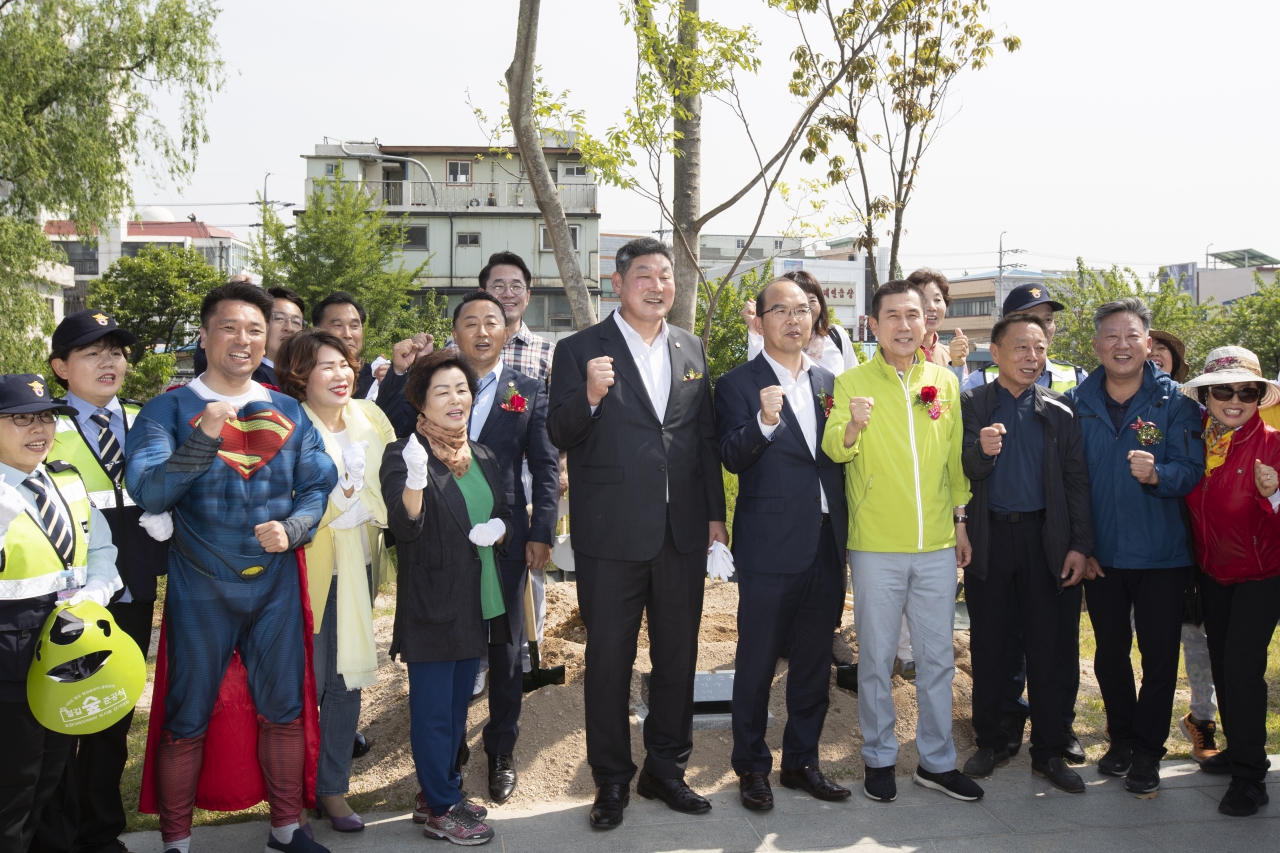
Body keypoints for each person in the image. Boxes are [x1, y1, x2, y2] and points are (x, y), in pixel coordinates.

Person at [125, 281, 338, 853]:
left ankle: (286, 828)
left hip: (273, 586)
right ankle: (176, 841)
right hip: (201, 586)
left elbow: (319, 483)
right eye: (229, 327)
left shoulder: (287, 408)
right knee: (186, 713)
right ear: (204, 335)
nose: (242, 340)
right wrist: (205, 436)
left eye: (254, 329)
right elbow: (148, 491)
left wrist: (294, 528)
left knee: (284, 708)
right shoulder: (168, 408)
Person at [546, 237, 727, 829]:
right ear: (618, 284)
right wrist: (592, 396)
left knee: (677, 656)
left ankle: (665, 769)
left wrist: (715, 521)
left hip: (680, 534)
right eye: (644, 274)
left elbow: (700, 442)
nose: (657, 284)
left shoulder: (690, 347)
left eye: (666, 275)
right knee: (609, 662)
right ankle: (613, 780)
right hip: (611, 535)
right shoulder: (579, 350)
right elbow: (559, 432)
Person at [821, 279, 981, 804]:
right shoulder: (851, 383)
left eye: (914, 315)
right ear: (873, 324)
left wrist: (960, 522)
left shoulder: (944, 381)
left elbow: (957, 460)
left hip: (936, 544)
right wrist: (852, 428)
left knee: (938, 659)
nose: (905, 325)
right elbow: (836, 451)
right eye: (893, 316)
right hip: (875, 547)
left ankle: (936, 762)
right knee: (878, 659)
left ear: (924, 321)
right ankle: (878, 757)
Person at [715, 277, 850, 811]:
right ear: (761, 319)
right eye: (781, 310)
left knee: (815, 661)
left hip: (825, 542)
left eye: (803, 310)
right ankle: (751, 767)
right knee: (757, 660)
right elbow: (730, 454)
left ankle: (801, 762)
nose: (794, 320)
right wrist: (764, 423)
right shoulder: (737, 384)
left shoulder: (828, 381)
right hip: (769, 543)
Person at [1065, 297, 1204, 796]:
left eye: (1132, 336)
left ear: (1149, 342)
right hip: (1101, 555)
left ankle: (1149, 751)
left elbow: (1192, 471)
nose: (1121, 345)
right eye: (1111, 336)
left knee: (1160, 656)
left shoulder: (1179, 405)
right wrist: (1083, 544)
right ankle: (1121, 739)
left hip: (1162, 554)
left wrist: (1160, 473)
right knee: (1109, 653)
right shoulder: (1074, 404)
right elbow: (1067, 481)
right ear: (1097, 344)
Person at [45, 311, 169, 853]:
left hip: (134, 590)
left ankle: (100, 831)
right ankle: (54, 833)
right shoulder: (39, 425)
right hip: (65, 599)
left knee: (112, 713)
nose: (109, 362)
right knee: (57, 720)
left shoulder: (148, 418)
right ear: (60, 368)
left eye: (116, 352)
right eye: (92, 353)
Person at [380, 349, 514, 845]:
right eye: (443, 391)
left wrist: (501, 529)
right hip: (432, 604)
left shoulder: (482, 455)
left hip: (478, 600)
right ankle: (440, 807)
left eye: (462, 389)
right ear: (421, 401)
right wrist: (415, 480)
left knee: (457, 711)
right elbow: (404, 526)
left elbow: (505, 513)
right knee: (434, 713)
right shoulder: (403, 454)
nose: (456, 399)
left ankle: (440, 791)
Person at [958, 313, 1093, 794]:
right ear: (994, 354)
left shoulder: (1060, 409)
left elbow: (1077, 481)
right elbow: (962, 469)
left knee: (1050, 648)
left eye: (1038, 348)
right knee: (990, 644)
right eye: (1020, 347)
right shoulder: (971, 403)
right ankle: (992, 740)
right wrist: (983, 450)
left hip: (1046, 540)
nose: (1031, 357)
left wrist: (1080, 545)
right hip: (990, 539)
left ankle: (1050, 750)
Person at [433, 292, 558, 806]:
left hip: (506, 539)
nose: (483, 331)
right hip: (443, 538)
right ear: (455, 333)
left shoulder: (527, 390)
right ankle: (449, 753)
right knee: (451, 648)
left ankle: (501, 751)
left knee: (505, 652)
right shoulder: (435, 385)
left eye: (493, 322)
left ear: (507, 331)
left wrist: (542, 532)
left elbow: (546, 467)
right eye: (470, 323)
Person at [274, 330, 397, 833]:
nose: (341, 374)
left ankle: (333, 789)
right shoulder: (286, 424)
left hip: (359, 562)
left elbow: (393, 479)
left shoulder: (372, 416)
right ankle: (293, 798)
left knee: (346, 680)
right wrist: (333, 505)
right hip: (306, 565)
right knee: (309, 681)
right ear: (300, 376)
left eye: (345, 363)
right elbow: (277, 496)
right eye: (326, 366)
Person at [0, 374, 121, 853]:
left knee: (51, 780)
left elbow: (102, 548)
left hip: (66, 649)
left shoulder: (66, 478)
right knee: (12, 790)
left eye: (46, 417)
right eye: (21, 419)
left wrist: (93, 594)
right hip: (8, 656)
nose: (39, 428)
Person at [1180, 347, 1280, 816]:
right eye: (1224, 390)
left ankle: (1250, 778)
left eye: (1247, 391)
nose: (1234, 399)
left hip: (1263, 576)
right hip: (1212, 575)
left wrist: (1274, 493)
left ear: (1261, 395)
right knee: (1223, 666)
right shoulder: (1194, 442)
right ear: (1207, 395)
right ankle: (1239, 752)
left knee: (1241, 670)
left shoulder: (1275, 445)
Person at [1146, 330, 1220, 763]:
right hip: (1168, 544)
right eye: (1147, 351)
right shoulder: (1160, 416)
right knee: (1155, 641)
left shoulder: (1212, 417)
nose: (1154, 357)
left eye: (1163, 353)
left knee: (1201, 640)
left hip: (1213, 551)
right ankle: (1141, 722)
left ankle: (1202, 719)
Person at [894, 267, 970, 681]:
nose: (932, 306)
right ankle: (905, 650)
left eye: (938, 299)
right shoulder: (898, 356)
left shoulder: (942, 355)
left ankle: (925, 649)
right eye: (924, 299)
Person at [742, 269, 859, 376]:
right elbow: (758, 374)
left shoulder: (836, 336)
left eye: (810, 301)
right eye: (786, 308)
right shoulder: (774, 339)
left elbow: (854, 378)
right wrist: (754, 327)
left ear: (821, 304)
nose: (799, 314)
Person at [192, 280, 304, 387]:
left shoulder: (305, 377)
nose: (289, 328)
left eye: (296, 322)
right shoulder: (240, 370)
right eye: (279, 318)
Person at [313, 293, 376, 399]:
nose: (347, 334)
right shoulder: (301, 378)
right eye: (338, 325)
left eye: (354, 326)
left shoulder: (377, 378)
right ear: (316, 331)